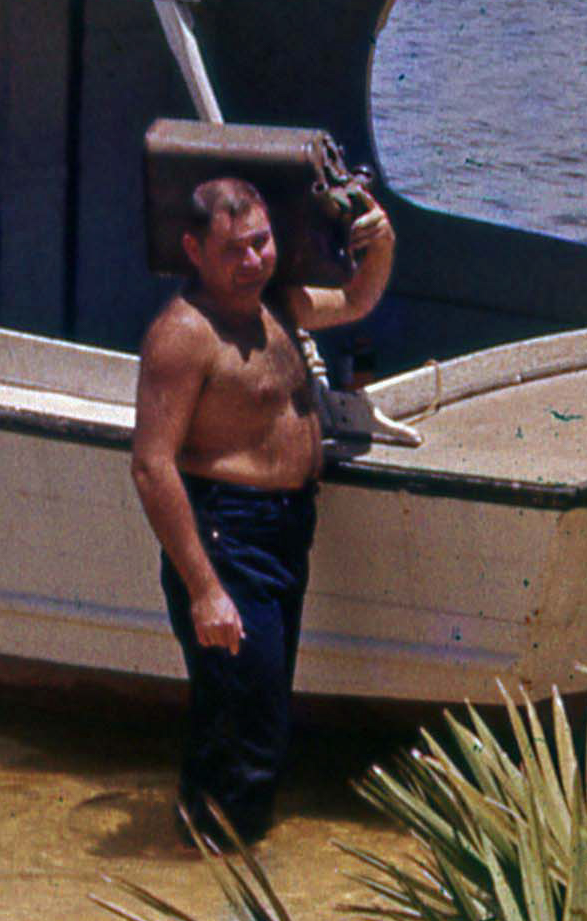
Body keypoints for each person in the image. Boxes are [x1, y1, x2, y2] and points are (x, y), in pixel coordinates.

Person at [128, 174, 393, 848]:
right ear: (194, 250)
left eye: (261, 242)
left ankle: (215, 859)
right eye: (232, 250)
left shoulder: (279, 303)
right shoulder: (183, 335)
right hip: (228, 536)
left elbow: (357, 299)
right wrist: (205, 590)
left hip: (285, 530)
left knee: (256, 714)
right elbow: (152, 466)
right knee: (244, 726)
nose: (252, 261)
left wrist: (382, 243)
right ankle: (213, 875)